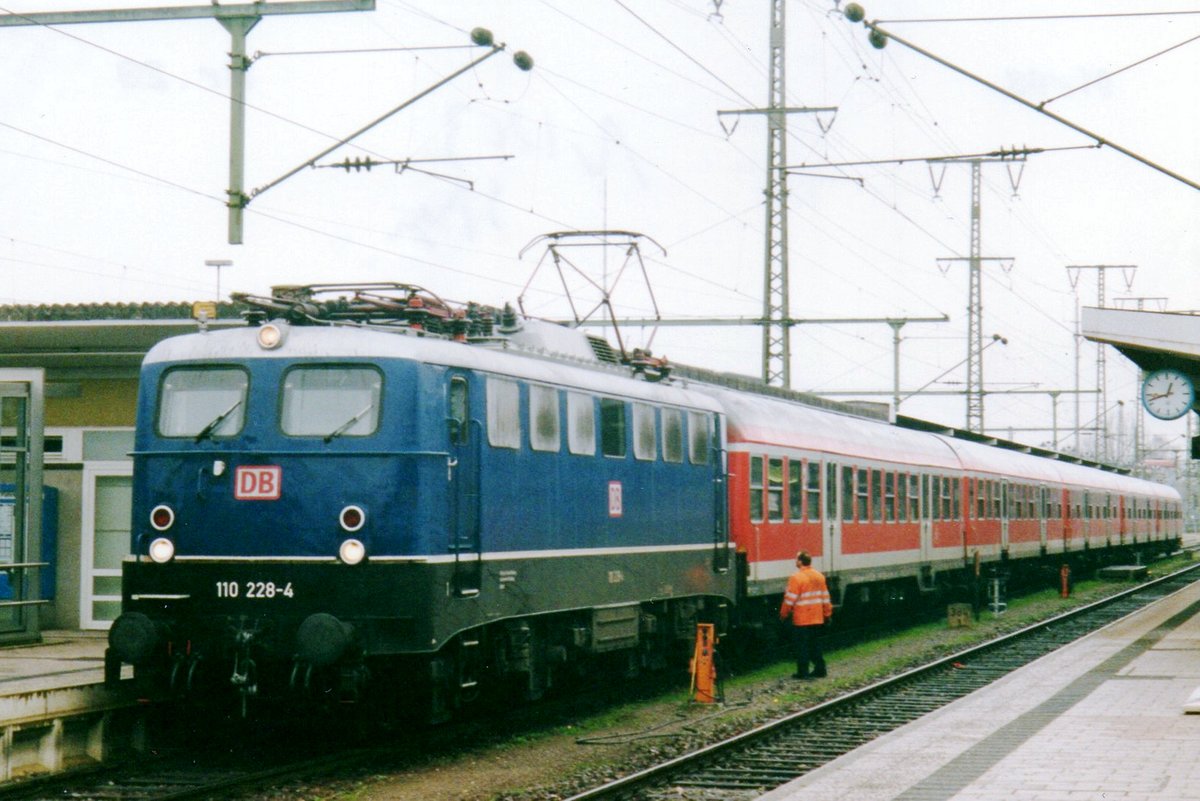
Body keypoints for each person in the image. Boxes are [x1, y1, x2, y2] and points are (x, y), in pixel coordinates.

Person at [779, 550, 832, 679]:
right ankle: (821, 669)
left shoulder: (796, 578)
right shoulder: (819, 576)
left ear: (800, 562)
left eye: (797, 559)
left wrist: (783, 614)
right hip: (816, 618)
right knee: (815, 645)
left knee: (802, 647)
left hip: (802, 619)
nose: (795, 561)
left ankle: (803, 672)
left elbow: (790, 599)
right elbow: (825, 597)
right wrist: (827, 613)